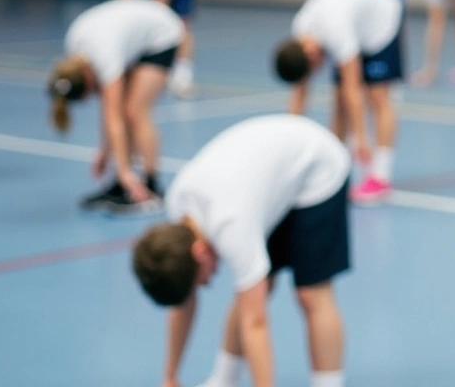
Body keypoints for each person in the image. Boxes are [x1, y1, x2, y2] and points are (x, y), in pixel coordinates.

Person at [132, 114, 351, 387]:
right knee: (253, 289)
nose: (208, 283)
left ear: (200, 253)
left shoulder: (231, 226)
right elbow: (182, 304)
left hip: (316, 165)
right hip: (265, 180)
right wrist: (170, 377)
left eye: (202, 280)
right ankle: (225, 380)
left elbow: (255, 323)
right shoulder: (179, 206)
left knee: (310, 293)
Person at [273, 0, 403, 204]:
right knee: (339, 100)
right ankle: (335, 167)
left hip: (381, 22)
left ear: (312, 56)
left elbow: (354, 91)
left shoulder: (337, 33)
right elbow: (300, 93)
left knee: (377, 96)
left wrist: (361, 138)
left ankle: (381, 176)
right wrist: (288, 141)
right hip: (353, 20)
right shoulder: (302, 30)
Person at [47, 0, 183, 213]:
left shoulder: (105, 57)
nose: (95, 95)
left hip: (161, 33)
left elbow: (114, 116)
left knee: (135, 110)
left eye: (92, 92)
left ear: (89, 78)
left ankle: (151, 185)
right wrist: (105, 150)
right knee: (122, 108)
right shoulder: (76, 49)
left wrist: (124, 171)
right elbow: (109, 111)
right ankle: (121, 185)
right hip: (131, 37)